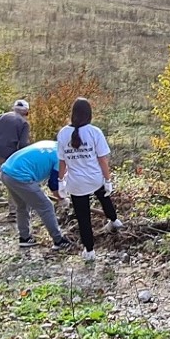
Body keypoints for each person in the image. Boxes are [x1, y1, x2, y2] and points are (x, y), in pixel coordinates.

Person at [57, 97, 122, 263]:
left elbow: (62, 161)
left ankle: (90, 250)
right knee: (104, 197)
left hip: (76, 183)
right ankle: (114, 220)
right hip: (95, 178)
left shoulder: (63, 133)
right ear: (89, 114)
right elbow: (102, 160)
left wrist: (60, 181)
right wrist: (107, 180)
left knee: (83, 217)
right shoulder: (94, 132)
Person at [0, 139, 70, 250]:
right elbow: (53, 184)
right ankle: (59, 241)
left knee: (22, 206)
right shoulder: (60, 157)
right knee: (46, 206)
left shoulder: (51, 145)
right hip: (20, 176)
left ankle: (24, 238)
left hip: (6, 172)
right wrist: (62, 198)